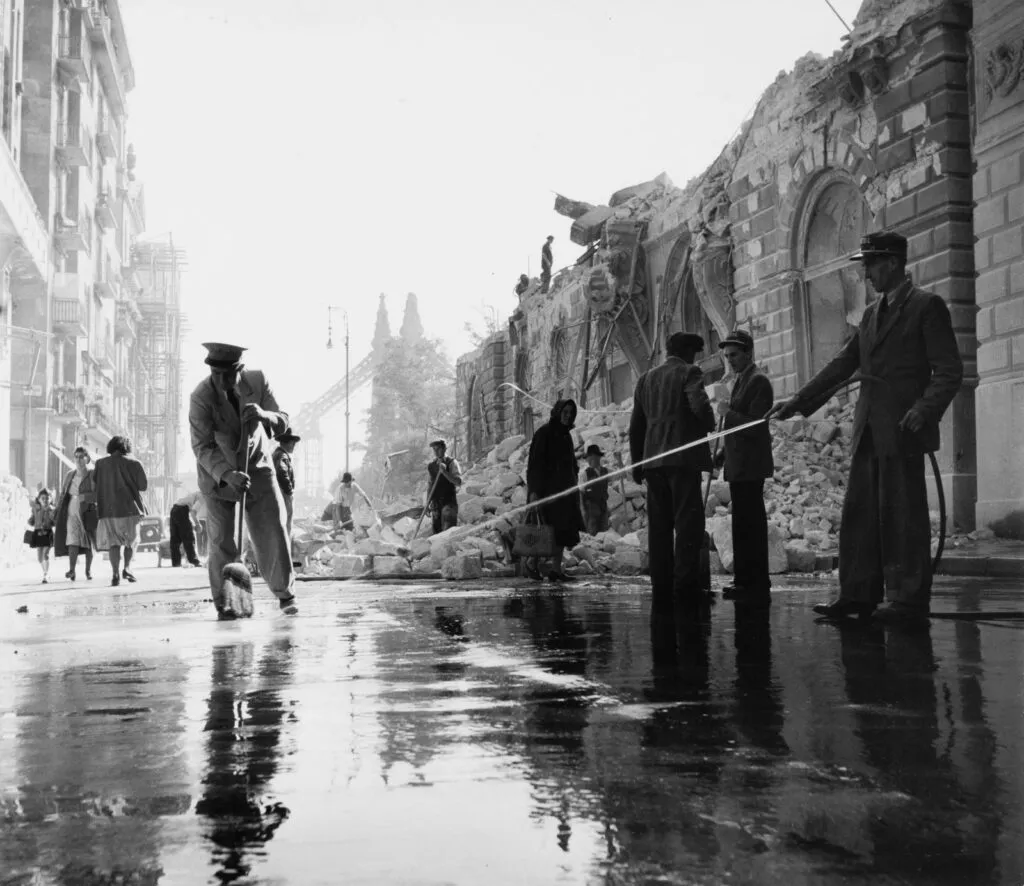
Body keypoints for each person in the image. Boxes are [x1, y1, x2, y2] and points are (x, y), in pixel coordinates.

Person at [770, 231, 963, 623]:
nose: (866, 274)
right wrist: (798, 402)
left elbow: (949, 371)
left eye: (871, 265)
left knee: (903, 515)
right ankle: (857, 595)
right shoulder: (872, 315)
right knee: (860, 513)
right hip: (869, 431)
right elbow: (842, 365)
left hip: (905, 431)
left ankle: (907, 601)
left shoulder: (927, 307)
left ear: (892, 263)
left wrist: (924, 410)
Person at [190, 342, 298, 618]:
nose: (222, 381)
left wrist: (266, 416)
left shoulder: (258, 381)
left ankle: (285, 594)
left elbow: (283, 419)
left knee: (272, 529)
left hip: (258, 466)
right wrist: (227, 474)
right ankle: (228, 603)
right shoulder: (201, 397)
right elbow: (202, 447)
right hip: (218, 476)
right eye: (216, 374)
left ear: (241, 369)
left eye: (228, 375)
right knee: (223, 541)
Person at [630, 332, 716, 625]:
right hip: (682, 460)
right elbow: (699, 406)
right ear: (689, 352)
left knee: (660, 528)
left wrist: (636, 464)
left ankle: (661, 586)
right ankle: (685, 588)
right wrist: (709, 423)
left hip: (653, 462)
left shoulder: (646, 379)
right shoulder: (688, 372)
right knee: (688, 525)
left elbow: (636, 425)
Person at [716, 329, 774, 604]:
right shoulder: (741, 380)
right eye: (727, 356)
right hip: (739, 465)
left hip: (750, 465)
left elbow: (756, 424)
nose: (730, 360)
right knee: (742, 523)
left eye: (734, 355)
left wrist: (728, 415)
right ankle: (744, 580)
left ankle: (755, 581)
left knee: (750, 524)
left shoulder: (758, 381)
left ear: (748, 352)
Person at [526, 399, 585, 581]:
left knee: (562, 530)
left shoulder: (566, 435)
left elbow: (571, 464)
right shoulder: (544, 433)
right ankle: (531, 563)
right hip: (547, 492)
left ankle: (556, 570)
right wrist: (534, 491)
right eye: (565, 412)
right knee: (544, 529)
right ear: (558, 412)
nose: (567, 416)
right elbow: (535, 464)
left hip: (565, 493)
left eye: (570, 413)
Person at [94, 435, 148, 587]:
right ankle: (127, 568)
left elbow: (96, 483)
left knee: (114, 543)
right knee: (130, 542)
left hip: (108, 510)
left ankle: (115, 573)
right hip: (130, 509)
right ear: (127, 448)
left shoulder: (100, 464)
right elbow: (143, 486)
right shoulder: (135, 463)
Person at [54, 447, 98, 581]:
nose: (78, 459)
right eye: (76, 456)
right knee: (72, 540)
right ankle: (72, 570)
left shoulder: (92, 475)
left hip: (88, 510)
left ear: (87, 459)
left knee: (89, 540)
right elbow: (63, 494)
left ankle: (88, 570)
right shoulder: (69, 475)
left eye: (81, 456)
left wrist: (85, 497)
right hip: (71, 509)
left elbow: (98, 494)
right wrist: (57, 510)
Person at [426, 441, 462, 534]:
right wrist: (427, 504)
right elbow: (430, 485)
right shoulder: (431, 466)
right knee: (437, 534)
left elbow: (458, 481)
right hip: (436, 505)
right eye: (434, 449)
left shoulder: (452, 463)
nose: (436, 452)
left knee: (448, 533)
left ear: (445, 449)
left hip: (449, 503)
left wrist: (445, 472)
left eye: (438, 449)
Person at [273, 429, 300, 538]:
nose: (294, 445)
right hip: (283, 494)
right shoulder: (282, 456)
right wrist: (289, 491)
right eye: (293, 443)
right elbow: (281, 471)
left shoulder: (277, 454)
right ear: (287, 442)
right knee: (286, 523)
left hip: (278, 494)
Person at [580, 444, 610, 535]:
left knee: (603, 534)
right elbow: (580, 493)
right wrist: (583, 511)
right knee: (591, 533)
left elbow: (622, 474)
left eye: (589, 457)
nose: (588, 460)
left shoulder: (606, 471)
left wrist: (620, 461)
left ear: (595, 457)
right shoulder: (584, 474)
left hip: (603, 507)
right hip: (591, 509)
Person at [28, 488, 56, 583]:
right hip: (38, 532)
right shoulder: (36, 509)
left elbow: (55, 522)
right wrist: (31, 521)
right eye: (43, 498)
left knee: (45, 554)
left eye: (47, 498)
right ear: (39, 499)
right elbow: (33, 519)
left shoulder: (52, 510)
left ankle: (46, 574)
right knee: (39, 557)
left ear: (50, 499)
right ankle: (44, 571)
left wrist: (52, 517)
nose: (45, 500)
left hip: (48, 533)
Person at [169, 489, 203, 568]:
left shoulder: (195, 493)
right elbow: (193, 512)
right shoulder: (203, 497)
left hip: (174, 509)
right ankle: (194, 561)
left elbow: (189, 512)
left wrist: (192, 525)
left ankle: (176, 563)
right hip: (181, 511)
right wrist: (198, 524)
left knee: (175, 538)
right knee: (189, 537)